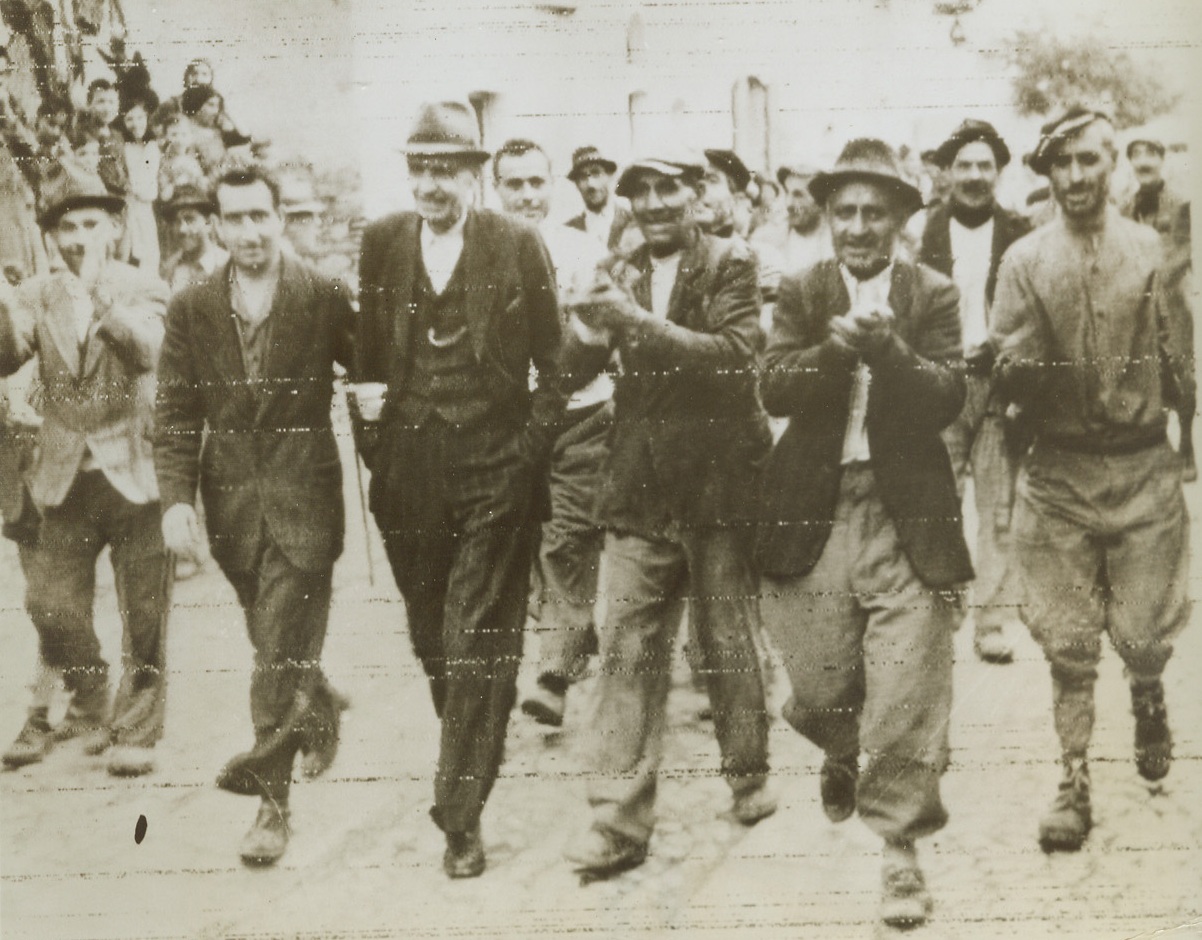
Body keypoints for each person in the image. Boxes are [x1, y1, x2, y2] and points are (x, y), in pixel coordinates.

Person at [756, 139, 971, 929]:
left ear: (902, 219)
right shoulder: (801, 286)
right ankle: (839, 745)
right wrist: (836, 348)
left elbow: (948, 395)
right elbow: (772, 384)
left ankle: (901, 851)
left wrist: (889, 348)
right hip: (809, 506)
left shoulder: (934, 292)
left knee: (908, 680)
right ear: (826, 216)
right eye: (843, 211)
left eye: (873, 212)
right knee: (818, 682)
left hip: (903, 509)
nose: (856, 227)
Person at [351, 102, 564, 879]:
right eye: (419, 168)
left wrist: (526, 450)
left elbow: (557, 359)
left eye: (444, 168)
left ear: (475, 176)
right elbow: (369, 360)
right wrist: (376, 445)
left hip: (494, 467)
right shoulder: (382, 242)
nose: (430, 184)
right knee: (435, 639)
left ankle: (459, 814)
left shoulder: (515, 243)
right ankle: (476, 733)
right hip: (408, 471)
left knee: (474, 634)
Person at [560, 149, 776, 879]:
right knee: (626, 648)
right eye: (639, 192)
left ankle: (747, 773)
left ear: (697, 194)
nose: (652, 204)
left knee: (727, 642)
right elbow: (574, 366)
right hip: (639, 489)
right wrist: (587, 332)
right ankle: (616, 820)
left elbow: (733, 358)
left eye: (667, 190)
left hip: (718, 486)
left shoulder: (731, 263)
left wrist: (628, 322)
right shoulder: (617, 271)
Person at [990, 108, 1194, 854]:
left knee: (1144, 632)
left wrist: (1183, 429)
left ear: (1113, 162)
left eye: (1087, 161)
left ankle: (1147, 690)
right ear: (1045, 173)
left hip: (1142, 465)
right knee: (1069, 641)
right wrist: (1010, 370)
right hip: (1060, 470)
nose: (1074, 177)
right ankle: (1073, 779)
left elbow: (1182, 358)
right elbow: (1009, 369)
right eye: (1060, 165)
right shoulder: (1023, 260)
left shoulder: (1153, 250)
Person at [155, 165, 353, 866]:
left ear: (280, 218)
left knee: (274, 654)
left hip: (307, 502)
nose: (249, 232)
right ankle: (316, 696)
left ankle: (271, 805)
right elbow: (176, 413)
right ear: (215, 225)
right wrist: (177, 500)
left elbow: (373, 373)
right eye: (234, 219)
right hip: (233, 507)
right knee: (274, 641)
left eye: (260, 216)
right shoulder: (192, 306)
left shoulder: (324, 294)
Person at [0, 158, 173, 778]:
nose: (77, 239)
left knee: (145, 614)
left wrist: (100, 292)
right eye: (66, 228)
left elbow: (150, 349)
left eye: (90, 224)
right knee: (50, 603)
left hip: (137, 475)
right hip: (67, 477)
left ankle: (136, 730)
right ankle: (91, 693)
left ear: (113, 227)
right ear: (51, 235)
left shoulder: (144, 285)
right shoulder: (36, 294)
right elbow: (6, 356)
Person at [490, 138, 611, 728]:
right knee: (529, 549)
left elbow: (601, 329)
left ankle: (553, 675)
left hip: (579, 416)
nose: (528, 194)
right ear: (496, 190)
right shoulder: (477, 255)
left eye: (537, 182)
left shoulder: (581, 250)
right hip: (510, 425)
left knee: (567, 538)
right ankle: (570, 639)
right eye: (515, 184)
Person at [920, 119, 1031, 664]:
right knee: (939, 501)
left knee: (998, 507)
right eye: (963, 164)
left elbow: (1033, 315)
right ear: (947, 172)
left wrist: (1003, 352)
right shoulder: (923, 232)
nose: (974, 175)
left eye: (985, 165)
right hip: (938, 382)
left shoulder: (1021, 230)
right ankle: (944, 607)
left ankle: (993, 620)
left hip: (997, 384)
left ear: (999, 171)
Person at [1121, 134, 1194, 479]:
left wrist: (1154, 281)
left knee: (1182, 374)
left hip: (1172, 302)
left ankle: (1188, 447)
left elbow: (1183, 253)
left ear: (1161, 160)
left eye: (1150, 154)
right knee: (1142, 375)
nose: (1143, 162)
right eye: (1136, 155)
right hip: (1135, 305)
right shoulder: (1124, 206)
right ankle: (1153, 449)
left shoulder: (1182, 204)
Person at [751, 162, 833, 278]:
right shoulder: (765, 239)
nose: (789, 203)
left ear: (822, 200)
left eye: (798, 195)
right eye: (787, 193)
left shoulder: (839, 243)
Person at [158, 183, 228, 294]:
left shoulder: (227, 265)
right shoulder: (169, 270)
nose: (182, 229)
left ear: (209, 223)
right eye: (176, 222)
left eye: (190, 219)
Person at [119, 97, 161, 272]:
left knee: (148, 254)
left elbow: (146, 187)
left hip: (144, 206)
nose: (136, 124)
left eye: (140, 118)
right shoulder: (123, 147)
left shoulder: (152, 147)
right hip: (127, 205)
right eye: (129, 119)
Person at [565, 145, 633, 250]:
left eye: (596, 173)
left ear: (609, 176)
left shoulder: (633, 222)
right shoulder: (567, 231)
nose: (591, 184)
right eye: (583, 177)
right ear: (577, 185)